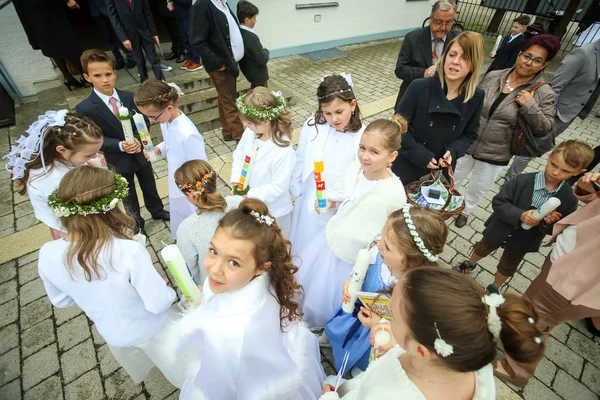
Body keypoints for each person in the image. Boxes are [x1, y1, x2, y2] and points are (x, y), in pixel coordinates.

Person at [38, 166, 185, 388]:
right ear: (110, 210)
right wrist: (167, 289)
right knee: (181, 369)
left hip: (113, 332)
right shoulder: (128, 251)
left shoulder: (47, 253)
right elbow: (157, 304)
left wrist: (89, 293)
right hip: (152, 328)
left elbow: (61, 301)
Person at [166, 198, 325, 399]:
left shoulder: (232, 336)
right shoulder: (252, 279)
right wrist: (203, 302)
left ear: (261, 267)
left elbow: (220, 388)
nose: (214, 270)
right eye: (213, 251)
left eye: (233, 262)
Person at [320, 268, 545, 399]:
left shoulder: (390, 393)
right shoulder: (472, 358)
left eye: (394, 317)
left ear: (421, 350)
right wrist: (399, 342)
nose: (388, 318)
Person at [296, 117, 408, 330]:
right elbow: (341, 195)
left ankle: (333, 329)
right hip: (331, 241)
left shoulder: (394, 193)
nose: (365, 156)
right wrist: (329, 202)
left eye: (374, 152)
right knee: (317, 286)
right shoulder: (354, 169)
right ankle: (312, 320)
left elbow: (388, 232)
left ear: (391, 156)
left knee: (339, 295)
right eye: (362, 148)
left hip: (354, 257)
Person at [494, 172, 600, 386]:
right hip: (570, 259)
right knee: (542, 316)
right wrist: (588, 188)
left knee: (534, 317)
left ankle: (516, 370)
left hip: (577, 277)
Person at [452, 140, 594, 294]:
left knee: (508, 265)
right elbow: (499, 202)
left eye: (565, 171)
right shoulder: (522, 180)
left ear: (578, 172)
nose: (555, 172)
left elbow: (559, 228)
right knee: (482, 247)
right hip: (500, 228)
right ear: (550, 156)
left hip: (525, 240)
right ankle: (470, 263)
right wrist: (520, 214)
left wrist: (548, 223)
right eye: (554, 165)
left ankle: (495, 287)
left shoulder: (569, 198)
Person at [324, 205, 448, 376]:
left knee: (362, 354)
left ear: (411, 260)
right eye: (382, 236)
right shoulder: (377, 251)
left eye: (388, 247)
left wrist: (377, 324)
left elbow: (407, 331)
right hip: (359, 309)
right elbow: (360, 270)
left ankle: (360, 369)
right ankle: (335, 342)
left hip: (380, 331)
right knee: (342, 333)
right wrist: (351, 282)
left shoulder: (416, 291)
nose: (379, 245)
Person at [453, 34, 560, 228]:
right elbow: (471, 103)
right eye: (527, 56)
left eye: (537, 60)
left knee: (478, 187)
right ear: (519, 55)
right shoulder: (495, 75)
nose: (529, 63)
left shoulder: (545, 93)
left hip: (496, 152)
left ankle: (466, 211)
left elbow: (545, 128)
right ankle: (447, 204)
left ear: (544, 65)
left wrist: (530, 106)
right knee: (454, 176)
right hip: (467, 142)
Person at [76, 49, 169, 235]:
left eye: (108, 74)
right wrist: (119, 145)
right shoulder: (85, 108)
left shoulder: (128, 97)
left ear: (115, 73)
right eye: (97, 75)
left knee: (149, 184)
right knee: (128, 194)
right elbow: (92, 139)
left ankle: (157, 210)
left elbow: (142, 121)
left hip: (140, 152)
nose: (105, 80)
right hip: (117, 158)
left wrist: (137, 138)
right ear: (87, 77)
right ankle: (136, 222)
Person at [393, 31, 485, 184]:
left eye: (464, 57)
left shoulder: (476, 97)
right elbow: (397, 127)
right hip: (408, 165)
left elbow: (470, 134)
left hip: (441, 171)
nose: (455, 61)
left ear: (474, 64)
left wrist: (454, 150)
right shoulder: (418, 87)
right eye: (452, 54)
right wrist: (420, 154)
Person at [289, 74, 365, 258]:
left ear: (352, 105)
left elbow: (360, 175)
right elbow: (301, 155)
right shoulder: (313, 126)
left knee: (327, 247)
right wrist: (296, 187)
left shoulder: (362, 136)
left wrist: (340, 202)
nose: (333, 119)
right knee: (305, 238)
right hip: (311, 193)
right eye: (327, 113)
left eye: (339, 112)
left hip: (339, 200)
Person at [506, 39, 600, 182]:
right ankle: (510, 180)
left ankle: (511, 176)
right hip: (556, 113)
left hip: (570, 114)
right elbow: (555, 86)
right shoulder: (583, 54)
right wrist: (549, 114)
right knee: (532, 148)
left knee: (537, 148)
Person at [4, 111, 104, 239]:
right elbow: (80, 210)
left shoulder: (60, 159)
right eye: (89, 155)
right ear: (61, 149)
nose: (96, 156)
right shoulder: (55, 180)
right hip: (73, 229)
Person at [134, 79, 207, 238]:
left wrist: (196, 192)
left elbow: (201, 167)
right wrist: (159, 149)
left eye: (153, 117)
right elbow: (170, 142)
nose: (152, 121)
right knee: (180, 212)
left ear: (169, 107)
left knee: (192, 217)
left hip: (191, 185)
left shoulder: (188, 133)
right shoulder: (166, 119)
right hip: (176, 176)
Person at [230, 88, 295, 236]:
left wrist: (249, 195)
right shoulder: (251, 133)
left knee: (274, 245)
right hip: (249, 203)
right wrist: (237, 183)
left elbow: (278, 187)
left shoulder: (283, 150)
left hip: (274, 211)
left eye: (249, 123)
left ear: (265, 121)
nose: (246, 126)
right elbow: (239, 155)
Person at [174, 159, 242, 284]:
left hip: (215, 286)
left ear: (190, 193)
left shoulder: (186, 229)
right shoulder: (239, 202)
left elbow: (189, 271)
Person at [190, 0, 245, 142]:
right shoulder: (202, 5)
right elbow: (197, 41)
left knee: (225, 97)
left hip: (229, 62)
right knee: (230, 100)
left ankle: (228, 131)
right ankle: (241, 138)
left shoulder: (222, 3)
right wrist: (218, 63)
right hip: (222, 65)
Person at [393, 0, 459, 109]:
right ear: (430, 18)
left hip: (442, 102)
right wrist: (424, 73)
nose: (443, 27)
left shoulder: (458, 40)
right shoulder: (413, 38)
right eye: (439, 22)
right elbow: (400, 70)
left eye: (448, 22)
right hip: (412, 100)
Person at [12, 0, 86, 90]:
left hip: (35, 21)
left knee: (53, 48)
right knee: (70, 47)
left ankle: (67, 77)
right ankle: (85, 76)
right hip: (50, 16)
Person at [106, 0, 166, 82]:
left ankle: (162, 82)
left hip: (145, 31)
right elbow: (113, 18)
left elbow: (147, 12)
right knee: (139, 61)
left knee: (153, 59)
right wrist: (123, 38)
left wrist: (154, 33)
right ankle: (144, 83)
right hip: (129, 34)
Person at [89, 0, 137, 71]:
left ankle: (130, 57)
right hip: (96, 10)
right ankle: (118, 58)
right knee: (108, 37)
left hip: (110, 8)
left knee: (119, 34)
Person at [237, 0, 270, 88]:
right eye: (254, 18)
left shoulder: (239, 32)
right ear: (247, 20)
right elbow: (262, 59)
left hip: (251, 74)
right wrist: (266, 51)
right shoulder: (251, 38)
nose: (255, 21)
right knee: (262, 98)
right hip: (258, 77)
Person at [170, 0, 203, 71]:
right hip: (180, 14)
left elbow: (190, 2)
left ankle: (196, 60)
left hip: (188, 15)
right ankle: (190, 58)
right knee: (184, 38)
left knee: (190, 37)